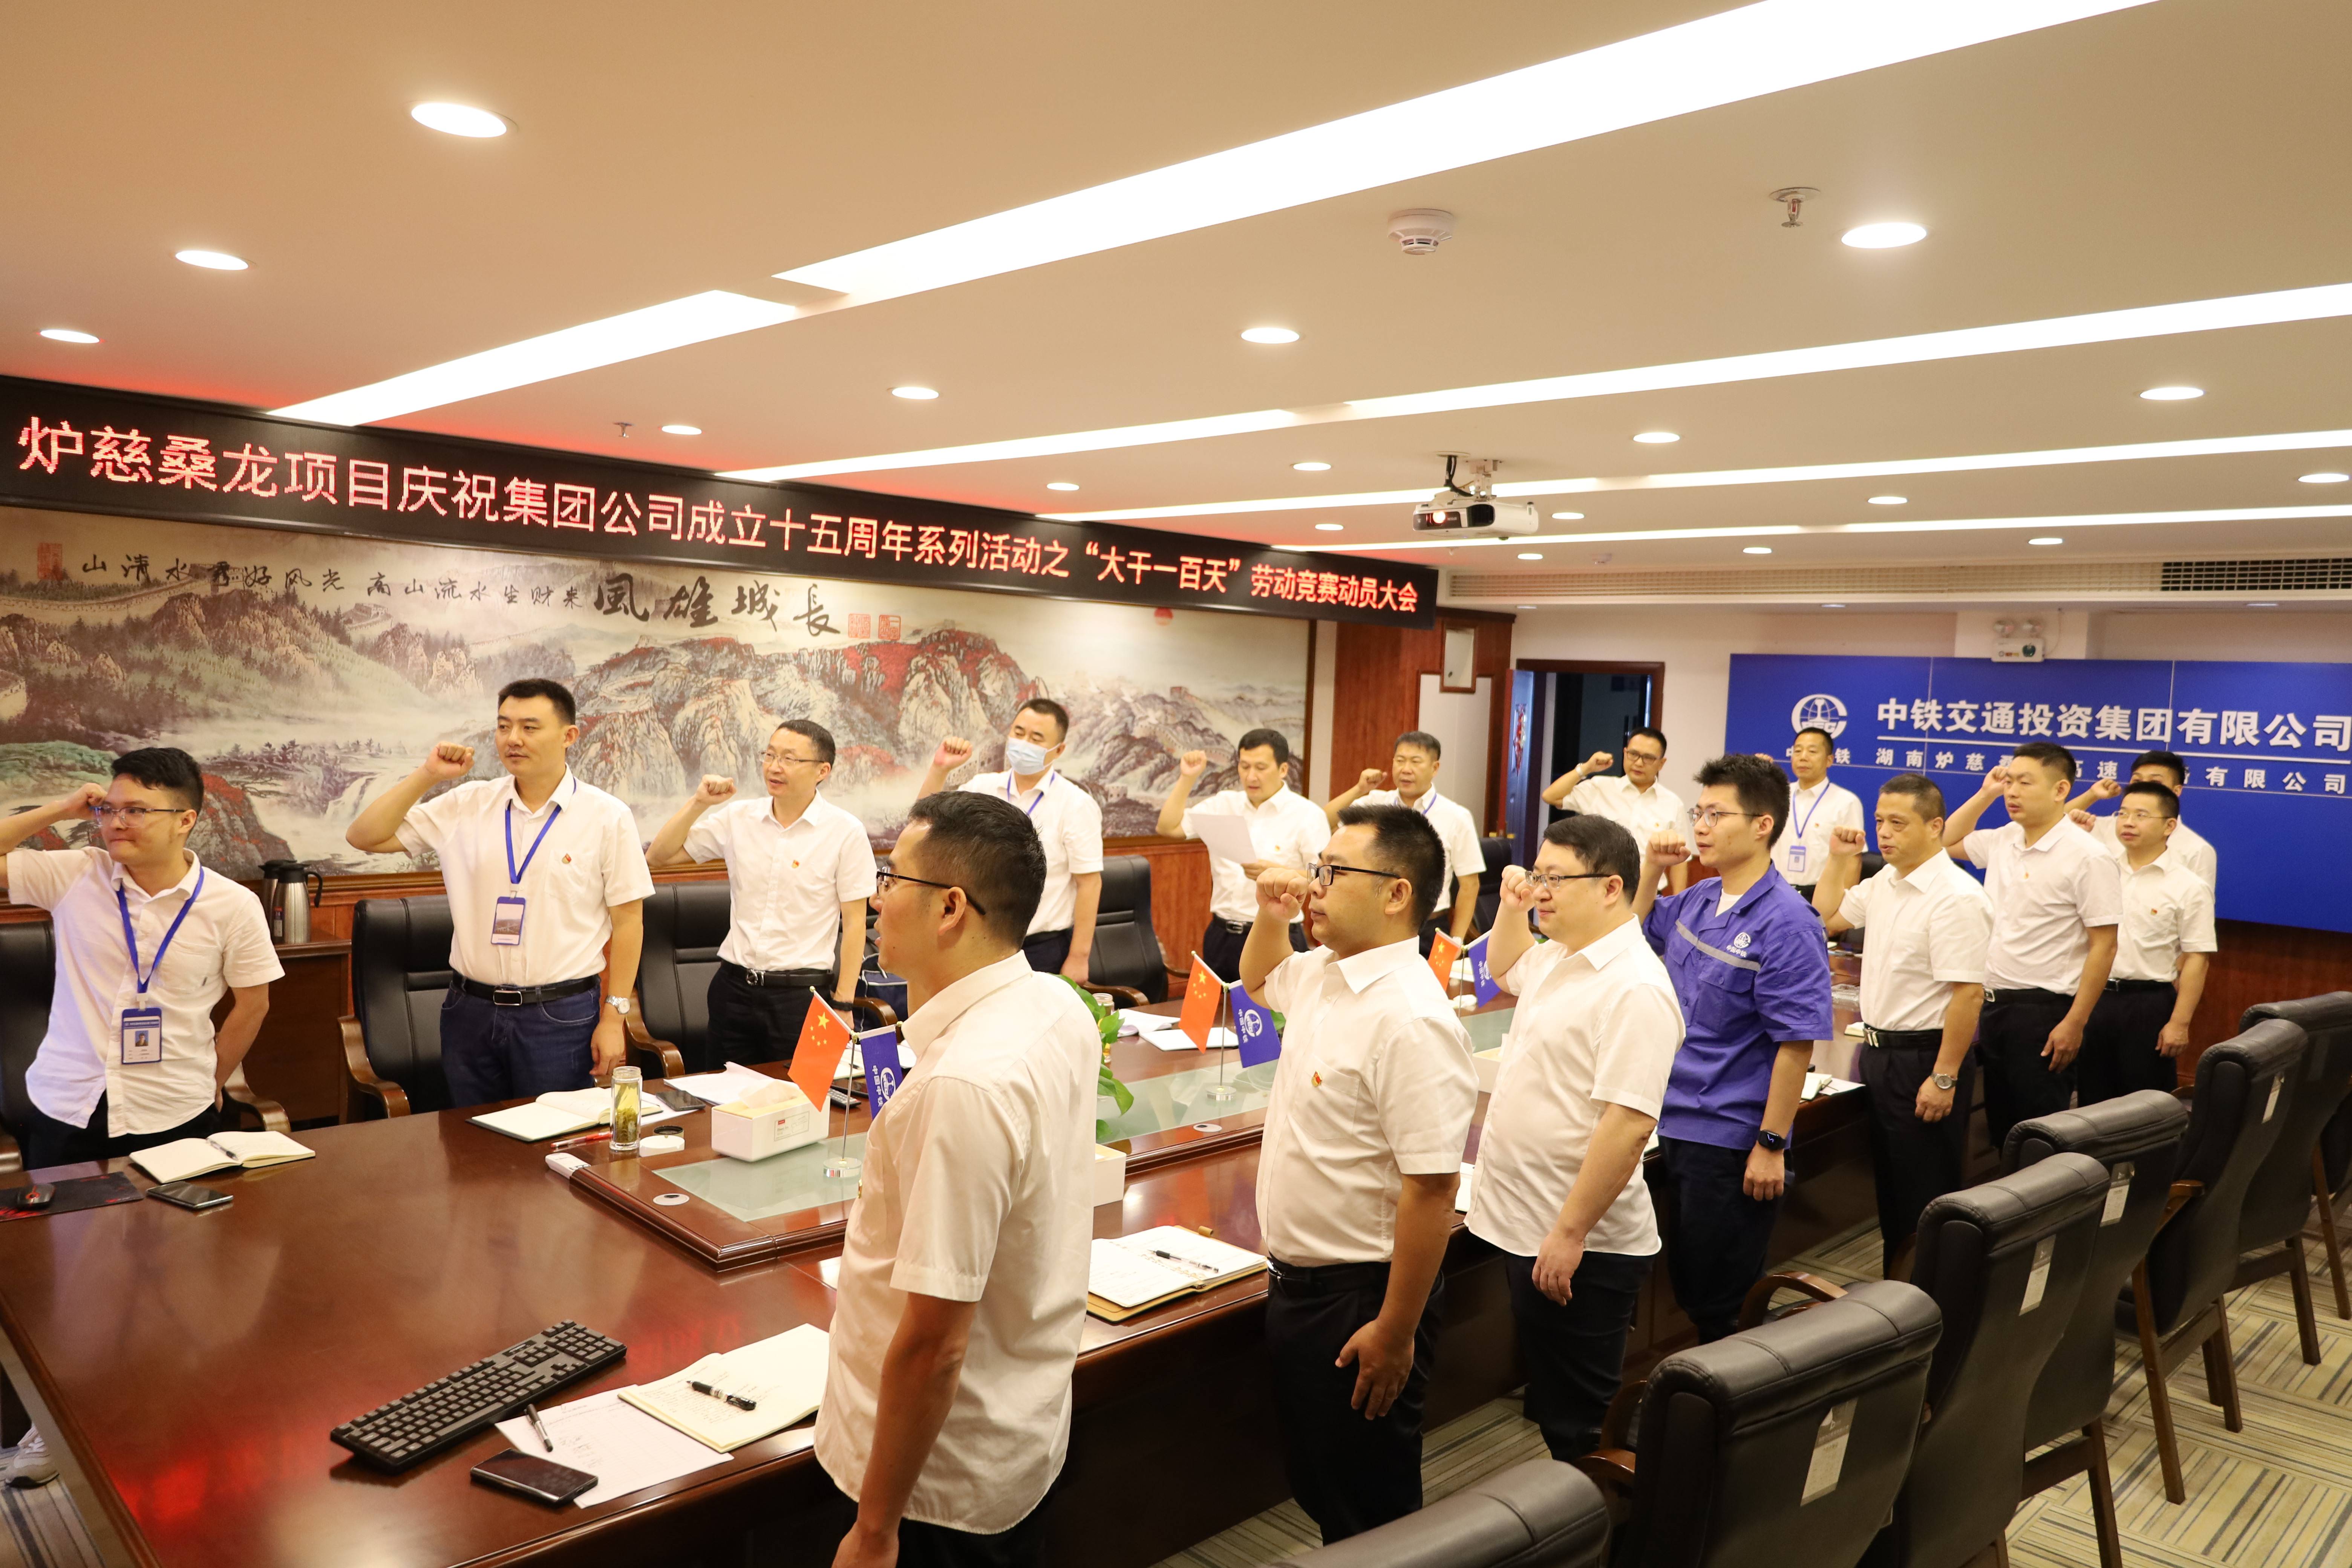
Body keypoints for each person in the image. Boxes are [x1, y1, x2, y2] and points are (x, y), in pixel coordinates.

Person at [816, 791, 1098, 1568]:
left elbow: (935, 1344)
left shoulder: (966, 1084)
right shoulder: (1054, 1001)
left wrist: (876, 1530)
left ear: (950, 907)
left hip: (932, 1489)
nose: (876, 899)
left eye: (891, 879)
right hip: (1015, 1425)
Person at [0, 747, 281, 1490]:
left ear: (186, 820)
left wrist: (209, 1079)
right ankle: (55, 1425)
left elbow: (252, 1003)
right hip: (71, 1106)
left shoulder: (231, 904)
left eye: (137, 811)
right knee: (72, 1273)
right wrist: (63, 809)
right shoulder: (76, 875)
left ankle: (159, 1400)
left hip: (173, 1113)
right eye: (110, 808)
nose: (116, 823)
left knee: (173, 1268)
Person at [1240, 804, 1478, 1542]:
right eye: (1318, 869)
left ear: (1396, 893)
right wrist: (1271, 915)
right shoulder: (1324, 972)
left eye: (1333, 872)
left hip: (1361, 1299)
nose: (1314, 886)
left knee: (1370, 1509)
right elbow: (1257, 980)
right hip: (1299, 1286)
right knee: (1323, 1482)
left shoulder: (1411, 1019)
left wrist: (1396, 1332)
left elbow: (1432, 1190)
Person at [1466, 815, 1681, 1460]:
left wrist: (1569, 1232)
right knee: (1556, 1405)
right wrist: (1512, 909)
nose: (1541, 891)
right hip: (1528, 1220)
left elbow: (1630, 1124)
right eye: (1538, 876)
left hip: (1582, 1243)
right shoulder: (1561, 955)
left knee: (1584, 1425)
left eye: (1556, 880)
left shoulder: (1635, 987)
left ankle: (1611, 1514)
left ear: (1612, 887)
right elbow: (1506, 967)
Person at [345, 679, 653, 1109]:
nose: (513, 739)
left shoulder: (606, 816)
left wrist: (614, 1017)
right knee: (471, 1141)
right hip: (469, 1010)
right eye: (504, 726)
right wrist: (429, 775)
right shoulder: (468, 804)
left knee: (554, 1136)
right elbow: (364, 836)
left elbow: (629, 920)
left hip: (559, 1013)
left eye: (530, 727)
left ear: (569, 736)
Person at [1629, 753, 1830, 1342]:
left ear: (1763, 825)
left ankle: (1736, 1392)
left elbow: (1796, 1045)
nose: (1701, 826)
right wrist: (1651, 867)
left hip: (1728, 1133)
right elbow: (1632, 936)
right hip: (1673, 1117)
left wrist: (1771, 1143)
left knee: (1720, 1299)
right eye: (1699, 813)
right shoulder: (1698, 898)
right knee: (1688, 1280)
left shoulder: (1788, 921)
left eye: (1717, 815)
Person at [1808, 775, 1991, 1277]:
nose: (1884, 833)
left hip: (1925, 1059)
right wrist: (1838, 858)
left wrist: (1944, 1077)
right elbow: (1824, 917)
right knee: (1891, 1187)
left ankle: (1931, 1295)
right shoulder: (1886, 881)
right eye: (1880, 822)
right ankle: (1898, 1287)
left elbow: (1968, 994)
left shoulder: (1957, 896)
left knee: (1923, 1191)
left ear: (1935, 826)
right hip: (1879, 1053)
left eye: (1898, 823)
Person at [646, 720, 876, 1072]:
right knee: (725, 1097)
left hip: (804, 998)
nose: (774, 767)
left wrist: (844, 1003)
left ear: (822, 771)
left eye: (789, 759)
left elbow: (856, 923)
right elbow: (658, 857)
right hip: (733, 991)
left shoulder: (846, 831)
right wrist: (699, 803)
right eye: (769, 755)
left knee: (806, 1096)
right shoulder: (739, 818)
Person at [1941, 743, 2120, 1150]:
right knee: (2001, 1131)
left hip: (2045, 1012)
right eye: (2009, 782)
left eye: (2025, 782)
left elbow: (2105, 946)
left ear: (2061, 790)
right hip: (1994, 1005)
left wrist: (2075, 1022)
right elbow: (1944, 841)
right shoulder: (2005, 838)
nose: (2012, 791)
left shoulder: (2088, 856)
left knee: (2038, 1134)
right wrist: (1985, 793)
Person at [919, 700, 1101, 982]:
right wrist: (940, 769)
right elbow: (923, 825)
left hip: (1042, 947)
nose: (1024, 743)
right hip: (978, 943)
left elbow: (1089, 883)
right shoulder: (982, 788)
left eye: (1036, 738)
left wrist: (1079, 957)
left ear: (1059, 750)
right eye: (1019, 733)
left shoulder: (1075, 804)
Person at [2076, 780, 2216, 1105]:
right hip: (2093, 997)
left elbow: (2198, 958)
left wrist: (2179, 1023)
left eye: (2141, 815)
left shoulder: (2189, 886)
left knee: (2145, 1104)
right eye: (2123, 813)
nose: (2128, 823)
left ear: (2169, 826)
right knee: (2090, 1101)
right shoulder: (2100, 871)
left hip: (2147, 1004)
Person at [1157, 729, 1330, 980]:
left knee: (1275, 1006)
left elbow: (1325, 877)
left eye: (1261, 768)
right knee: (1218, 1005)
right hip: (1222, 934)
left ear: (1283, 770)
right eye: (1245, 766)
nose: (1251, 776)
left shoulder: (1307, 815)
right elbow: (1168, 828)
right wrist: (1187, 778)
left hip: (1277, 934)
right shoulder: (1224, 804)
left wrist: (1280, 874)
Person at [1325, 730, 1486, 953]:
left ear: (1435, 768)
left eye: (1415, 762)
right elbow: (1322, 821)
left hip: (1429, 928)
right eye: (1400, 761)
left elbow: (1470, 885)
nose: (1406, 769)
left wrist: (1456, 941)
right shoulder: (1376, 804)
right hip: (1376, 923)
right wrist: (1360, 790)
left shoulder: (1457, 817)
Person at [1542, 727, 1688, 895]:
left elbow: (1680, 861)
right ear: (1625, 753)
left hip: (1649, 895)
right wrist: (1586, 769)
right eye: (1633, 754)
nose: (1639, 763)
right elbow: (1551, 796)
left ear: (1661, 763)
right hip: (1600, 892)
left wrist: (1681, 903)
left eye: (1648, 758)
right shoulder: (1600, 787)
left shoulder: (1673, 804)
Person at [2069, 749, 2219, 893]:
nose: (2144, 787)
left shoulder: (2197, 850)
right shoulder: (2109, 827)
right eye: (2137, 781)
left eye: (2155, 782)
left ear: (2176, 791)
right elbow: (2057, 821)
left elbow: (2199, 903)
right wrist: (2092, 795)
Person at [1771, 726, 1865, 906]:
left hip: (1819, 896)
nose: (1803, 757)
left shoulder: (1846, 802)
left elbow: (1853, 860)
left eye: (1812, 752)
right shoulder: (1777, 796)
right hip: (1775, 891)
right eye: (1798, 751)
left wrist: (1842, 907)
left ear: (1829, 760)